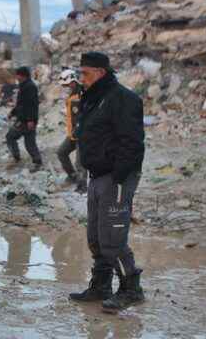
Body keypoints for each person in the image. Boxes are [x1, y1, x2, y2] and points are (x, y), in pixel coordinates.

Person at [69, 51, 146, 313]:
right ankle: (101, 286)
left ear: (100, 72)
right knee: (95, 237)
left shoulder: (123, 98)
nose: (82, 78)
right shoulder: (93, 97)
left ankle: (131, 290)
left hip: (116, 178)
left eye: (85, 73)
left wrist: (119, 174)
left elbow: (132, 142)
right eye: (80, 73)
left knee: (112, 238)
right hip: (97, 175)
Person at [6, 66, 42, 172]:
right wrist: (12, 113)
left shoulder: (30, 87)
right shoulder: (24, 86)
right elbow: (21, 104)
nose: (16, 77)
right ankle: (21, 158)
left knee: (25, 141)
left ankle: (35, 162)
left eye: (17, 75)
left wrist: (31, 120)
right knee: (15, 138)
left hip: (27, 120)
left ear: (22, 75)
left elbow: (32, 104)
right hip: (23, 119)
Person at [56, 69, 87, 192]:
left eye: (67, 84)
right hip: (73, 133)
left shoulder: (81, 94)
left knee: (80, 163)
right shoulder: (73, 94)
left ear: (73, 81)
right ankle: (72, 176)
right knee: (61, 152)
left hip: (82, 134)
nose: (66, 87)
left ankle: (83, 185)